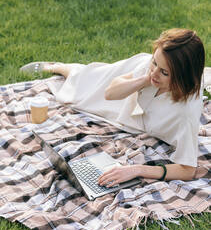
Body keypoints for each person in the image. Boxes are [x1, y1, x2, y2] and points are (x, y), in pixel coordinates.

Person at [20, 28, 206, 186]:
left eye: (164, 72)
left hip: (136, 113)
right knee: (86, 84)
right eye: (155, 62)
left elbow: (188, 170)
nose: (155, 73)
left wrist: (137, 170)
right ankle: (59, 67)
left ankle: (73, 71)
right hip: (130, 81)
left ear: (182, 77)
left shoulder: (185, 113)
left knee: (84, 95)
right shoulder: (151, 71)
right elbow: (110, 93)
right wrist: (144, 79)